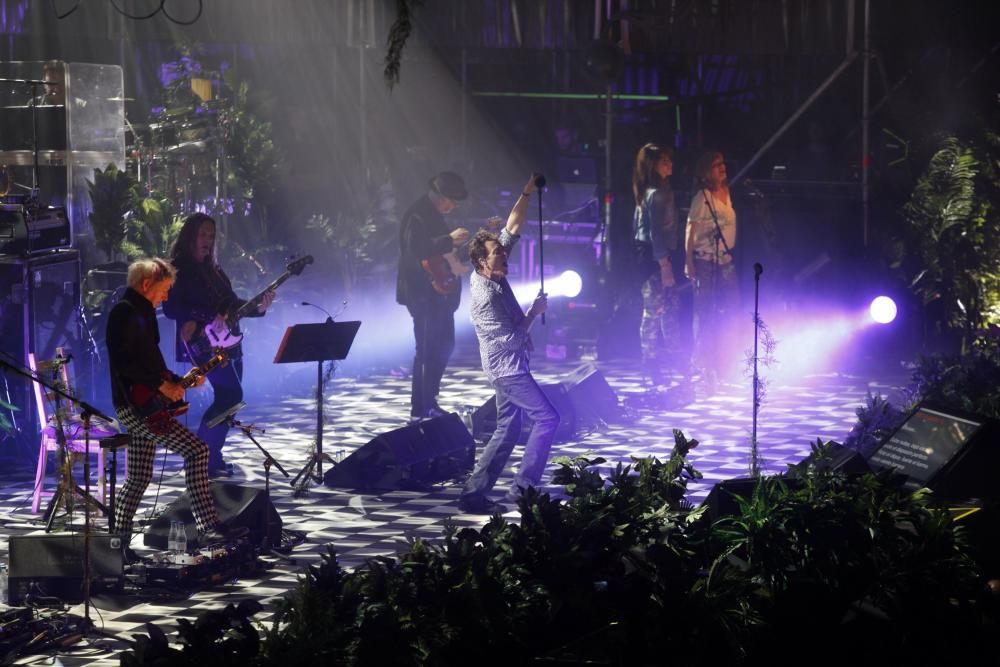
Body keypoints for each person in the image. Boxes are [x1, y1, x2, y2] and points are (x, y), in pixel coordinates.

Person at [106, 258, 246, 553]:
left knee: (138, 479)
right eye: (165, 289)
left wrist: (177, 380)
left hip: (143, 406)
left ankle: (117, 546)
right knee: (197, 451)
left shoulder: (141, 314)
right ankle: (209, 527)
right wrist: (162, 385)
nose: (167, 296)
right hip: (136, 408)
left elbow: (150, 366)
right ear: (147, 285)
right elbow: (125, 363)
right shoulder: (124, 313)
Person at [459, 174, 560, 514]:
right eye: (497, 253)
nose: (504, 254)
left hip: (510, 365)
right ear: (481, 262)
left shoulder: (490, 268)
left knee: (508, 426)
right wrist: (533, 312)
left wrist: (526, 192)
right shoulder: (484, 298)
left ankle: (474, 493)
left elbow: (513, 227)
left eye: (502, 251)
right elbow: (513, 339)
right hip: (507, 370)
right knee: (547, 419)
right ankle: (523, 489)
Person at [163, 213, 274, 477]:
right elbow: (170, 307)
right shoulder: (178, 268)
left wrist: (258, 308)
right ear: (190, 236)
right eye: (203, 234)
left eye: (211, 235)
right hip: (204, 344)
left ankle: (211, 459)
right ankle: (201, 460)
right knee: (231, 396)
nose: (208, 240)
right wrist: (204, 316)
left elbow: (232, 304)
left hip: (230, 340)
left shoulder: (215, 270)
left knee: (230, 400)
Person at [396, 171, 470, 420]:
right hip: (421, 293)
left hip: (439, 293)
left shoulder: (435, 214)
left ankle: (430, 401)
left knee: (445, 344)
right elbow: (415, 251)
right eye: (452, 200)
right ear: (440, 196)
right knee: (426, 350)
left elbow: (439, 254)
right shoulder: (416, 214)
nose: (454, 205)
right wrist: (448, 239)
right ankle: (420, 408)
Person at [685, 150, 739, 392]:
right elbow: (690, 231)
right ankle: (703, 364)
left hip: (725, 260)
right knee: (705, 311)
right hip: (706, 261)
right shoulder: (702, 197)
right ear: (707, 171)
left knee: (732, 308)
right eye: (716, 164)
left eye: (723, 163)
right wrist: (689, 261)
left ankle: (725, 361)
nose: (722, 167)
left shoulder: (726, 193)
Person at [632, 143, 684, 383]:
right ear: (654, 165)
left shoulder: (661, 190)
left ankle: (673, 358)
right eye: (665, 161)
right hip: (654, 257)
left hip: (661, 254)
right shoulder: (654, 194)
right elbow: (653, 232)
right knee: (653, 310)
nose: (670, 165)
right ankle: (650, 362)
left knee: (669, 308)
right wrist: (664, 265)